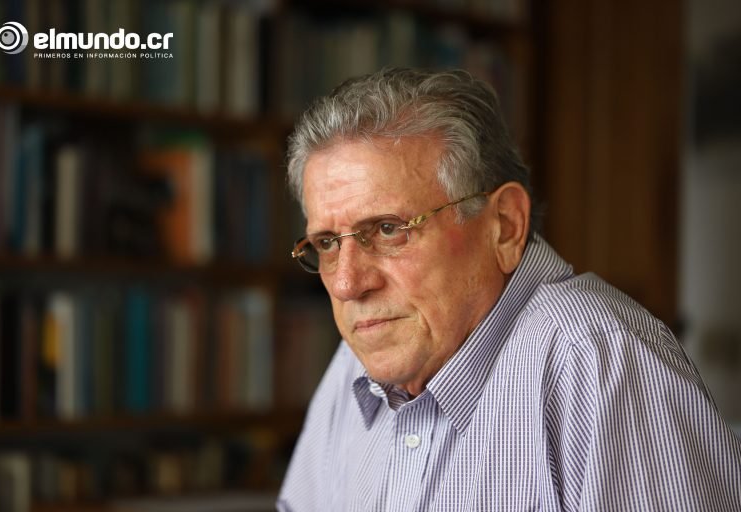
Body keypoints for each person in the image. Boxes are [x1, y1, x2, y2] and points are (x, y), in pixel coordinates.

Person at [277, 68, 741, 511]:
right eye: (327, 243)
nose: (347, 284)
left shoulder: (598, 360)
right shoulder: (363, 355)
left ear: (504, 225)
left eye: (387, 229)